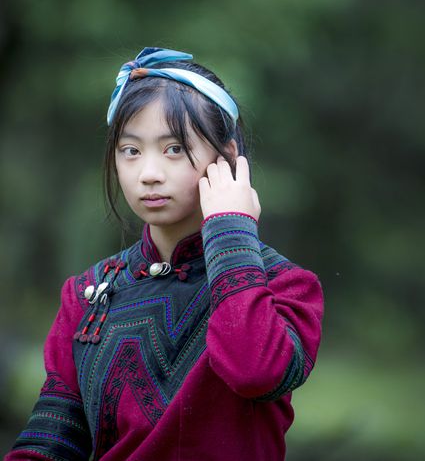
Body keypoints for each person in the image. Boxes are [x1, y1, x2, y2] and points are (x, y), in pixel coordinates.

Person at [6, 47, 324, 461]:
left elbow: (256, 372)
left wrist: (230, 229)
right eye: (131, 151)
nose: (149, 174)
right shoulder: (87, 293)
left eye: (174, 148)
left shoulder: (284, 284)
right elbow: (51, 440)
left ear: (227, 157)